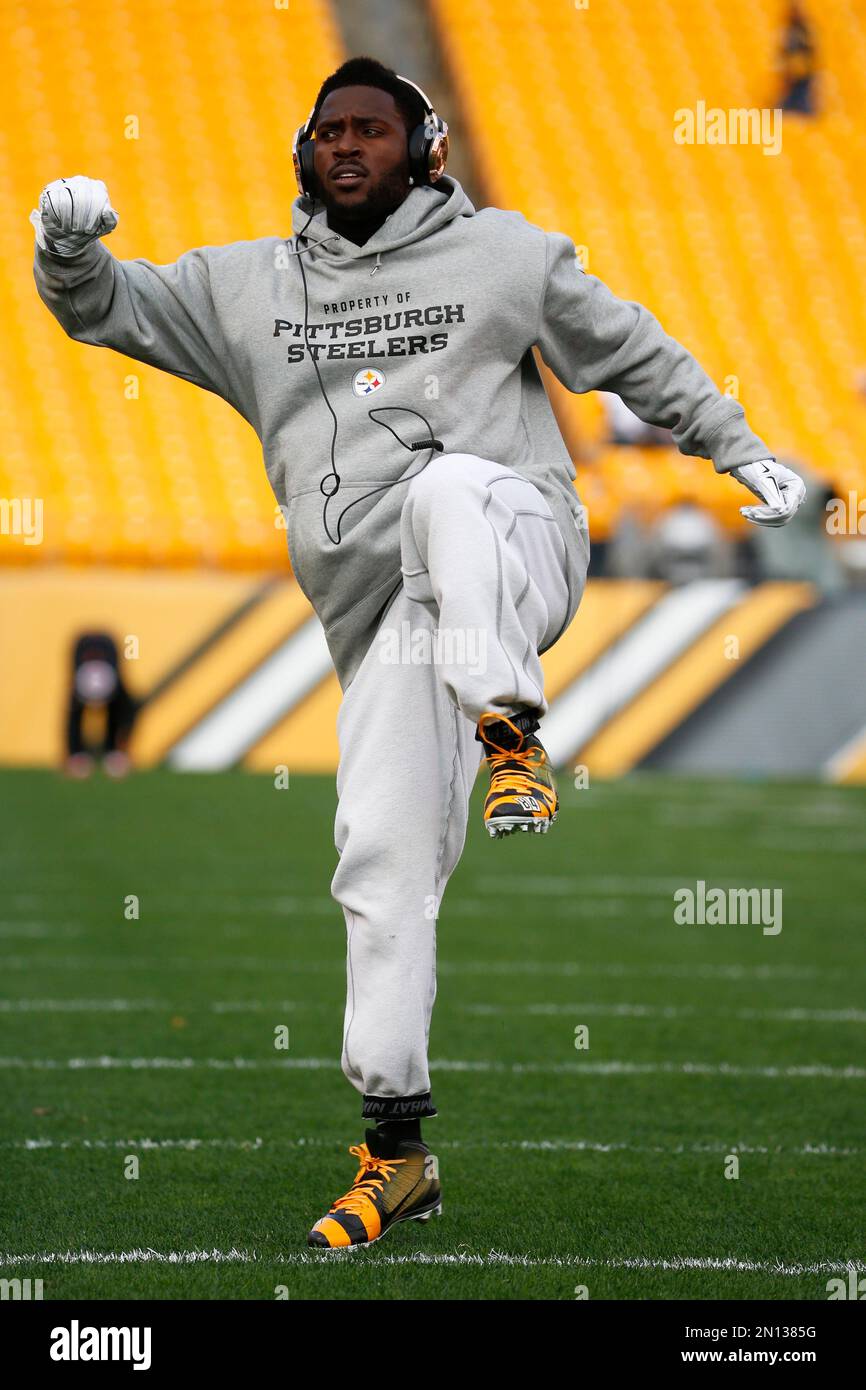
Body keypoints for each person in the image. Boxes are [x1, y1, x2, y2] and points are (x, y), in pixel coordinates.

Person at [31, 55, 806, 1250]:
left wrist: (731, 443)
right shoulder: (252, 290)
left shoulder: (502, 254)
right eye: (329, 131)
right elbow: (101, 307)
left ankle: (512, 734)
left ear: (424, 147)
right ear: (305, 154)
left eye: (372, 130)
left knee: (444, 487)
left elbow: (628, 348)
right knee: (378, 859)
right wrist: (68, 249)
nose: (347, 146)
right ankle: (395, 1150)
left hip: (514, 544)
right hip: (391, 617)